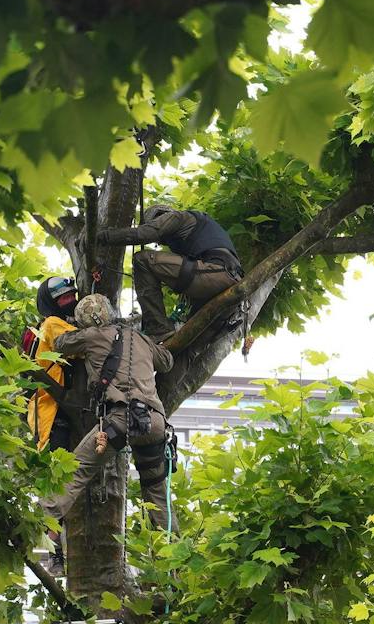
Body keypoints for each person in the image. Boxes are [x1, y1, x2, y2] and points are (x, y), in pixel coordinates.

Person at [44, 293, 174, 530]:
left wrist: (72, 328)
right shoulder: (140, 339)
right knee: (155, 487)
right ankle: (175, 553)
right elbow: (166, 361)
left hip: (119, 421)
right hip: (155, 423)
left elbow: (60, 344)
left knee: (76, 470)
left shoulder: (91, 335)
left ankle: (37, 522)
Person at [99, 204, 243, 339]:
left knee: (142, 260)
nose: (160, 243)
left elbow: (143, 234)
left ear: (160, 216)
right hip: (227, 278)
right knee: (189, 341)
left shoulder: (177, 217)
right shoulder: (199, 230)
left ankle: (158, 327)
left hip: (215, 273)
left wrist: (101, 237)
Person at [22, 275, 79, 452]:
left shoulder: (58, 324)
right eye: (64, 298)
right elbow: (82, 345)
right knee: (64, 474)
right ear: (51, 303)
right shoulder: (52, 323)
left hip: (61, 412)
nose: (71, 301)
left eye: (72, 296)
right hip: (53, 415)